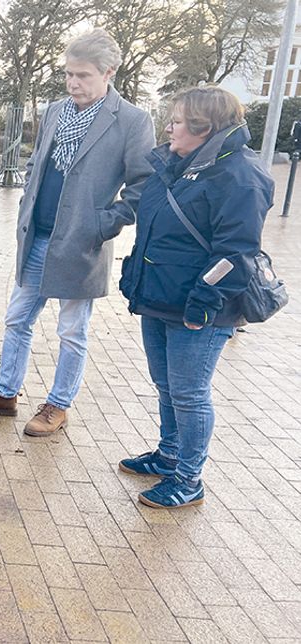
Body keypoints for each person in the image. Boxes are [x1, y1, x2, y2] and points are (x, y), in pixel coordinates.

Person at [0, 29, 155, 436]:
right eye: (68, 74)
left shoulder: (133, 121)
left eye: (82, 75)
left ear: (108, 72)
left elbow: (143, 186)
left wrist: (103, 224)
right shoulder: (55, 110)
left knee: (72, 330)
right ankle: (5, 392)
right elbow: (38, 164)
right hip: (37, 237)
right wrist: (28, 200)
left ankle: (58, 404)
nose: (73, 83)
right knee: (17, 318)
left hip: (81, 244)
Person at [118, 87, 273, 508]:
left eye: (178, 120)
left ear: (205, 128)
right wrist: (135, 276)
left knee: (189, 393)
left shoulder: (239, 175)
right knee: (166, 385)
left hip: (198, 309)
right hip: (159, 298)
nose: (169, 127)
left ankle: (189, 479)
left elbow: (236, 252)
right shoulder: (175, 165)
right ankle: (169, 456)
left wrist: (202, 303)